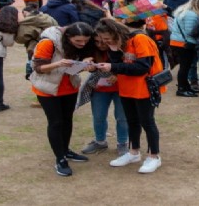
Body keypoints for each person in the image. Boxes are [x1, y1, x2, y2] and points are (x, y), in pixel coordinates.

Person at [94, 18, 164, 174]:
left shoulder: (140, 39)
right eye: (102, 39)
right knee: (131, 121)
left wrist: (113, 66)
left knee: (147, 122)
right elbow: (119, 65)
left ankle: (154, 156)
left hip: (144, 88)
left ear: (116, 32)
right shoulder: (119, 44)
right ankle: (133, 152)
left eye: (107, 38)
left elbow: (142, 67)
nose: (105, 42)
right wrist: (112, 49)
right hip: (126, 88)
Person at [30, 22, 95, 176]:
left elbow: (70, 70)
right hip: (48, 89)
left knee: (67, 120)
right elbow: (38, 68)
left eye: (85, 40)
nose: (82, 44)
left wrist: (85, 65)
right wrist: (57, 63)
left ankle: (65, 150)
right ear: (68, 36)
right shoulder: (48, 42)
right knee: (56, 122)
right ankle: (60, 159)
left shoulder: (82, 44)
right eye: (78, 41)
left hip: (69, 88)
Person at [80, 32, 128, 156]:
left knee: (122, 117)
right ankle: (100, 141)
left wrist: (118, 75)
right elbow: (81, 64)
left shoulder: (121, 50)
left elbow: (130, 65)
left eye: (104, 41)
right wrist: (86, 63)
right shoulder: (92, 51)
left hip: (121, 88)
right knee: (98, 116)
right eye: (97, 41)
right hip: (99, 88)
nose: (101, 44)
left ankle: (122, 143)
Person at [15, 3, 58, 107]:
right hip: (53, 46)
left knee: (38, 73)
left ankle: (42, 99)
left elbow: (21, 38)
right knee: (51, 71)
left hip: (36, 48)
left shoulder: (29, 22)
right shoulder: (49, 18)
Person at [170, 0, 199, 97]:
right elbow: (190, 32)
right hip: (185, 43)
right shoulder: (191, 15)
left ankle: (185, 87)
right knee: (185, 67)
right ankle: (182, 89)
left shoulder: (184, 12)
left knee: (185, 67)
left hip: (179, 42)